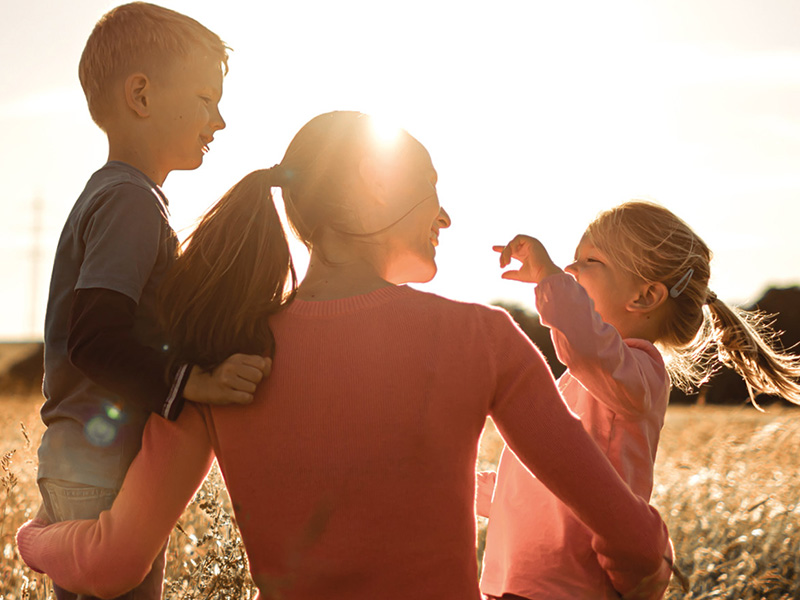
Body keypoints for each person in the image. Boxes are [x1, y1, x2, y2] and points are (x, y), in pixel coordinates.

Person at [19, 112, 673, 600]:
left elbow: (114, 564)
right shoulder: (485, 339)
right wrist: (641, 571)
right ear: (375, 180)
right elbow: (636, 539)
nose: (444, 218)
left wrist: (34, 539)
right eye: (429, 189)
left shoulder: (224, 366)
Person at [36, 4, 268, 599]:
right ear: (141, 94)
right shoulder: (129, 202)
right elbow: (96, 339)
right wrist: (194, 382)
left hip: (88, 467)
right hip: (102, 473)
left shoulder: (122, 196)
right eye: (206, 98)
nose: (219, 121)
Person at [478, 202, 800, 600]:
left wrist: (548, 277)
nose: (571, 270)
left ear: (646, 295)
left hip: (571, 587)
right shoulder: (594, 377)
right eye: (572, 262)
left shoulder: (638, 376)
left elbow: (582, 345)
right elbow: (546, 476)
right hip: (516, 583)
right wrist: (459, 485)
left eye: (590, 260)